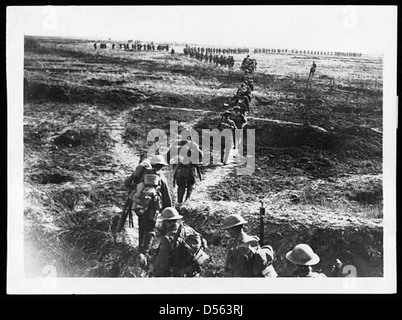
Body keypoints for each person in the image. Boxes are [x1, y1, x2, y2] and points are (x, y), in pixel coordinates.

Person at [124, 154, 172, 267]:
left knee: (142, 226)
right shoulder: (160, 178)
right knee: (150, 229)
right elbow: (166, 197)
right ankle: (144, 254)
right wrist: (169, 211)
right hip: (152, 207)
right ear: (160, 166)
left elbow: (127, 184)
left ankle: (140, 248)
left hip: (139, 205)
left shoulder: (141, 175)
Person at [153, 207, 208, 277]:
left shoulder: (167, 239)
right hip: (194, 273)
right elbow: (203, 242)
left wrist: (155, 275)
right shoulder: (189, 230)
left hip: (178, 277)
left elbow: (161, 265)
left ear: (166, 222)